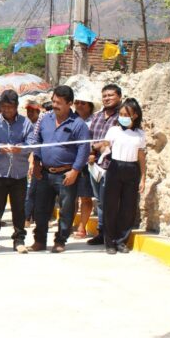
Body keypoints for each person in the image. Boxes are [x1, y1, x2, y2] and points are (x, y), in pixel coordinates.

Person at [29, 85, 91, 253]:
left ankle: (60, 240)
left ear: (69, 103)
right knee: (40, 209)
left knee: (66, 209)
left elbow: (84, 149)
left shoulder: (78, 125)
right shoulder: (46, 119)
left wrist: (75, 171)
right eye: (53, 101)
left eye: (59, 102)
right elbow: (38, 141)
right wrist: (36, 162)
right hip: (44, 173)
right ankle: (39, 240)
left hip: (66, 174)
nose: (54, 105)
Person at [0, 90, 35, 254]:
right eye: (4, 107)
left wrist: (22, 148)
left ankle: (19, 240)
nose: (7, 110)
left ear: (16, 107)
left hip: (19, 173)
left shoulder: (26, 123)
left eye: (10, 107)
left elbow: (32, 142)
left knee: (19, 208)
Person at [101, 98, 146, 254]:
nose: (122, 117)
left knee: (128, 207)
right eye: (120, 114)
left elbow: (141, 156)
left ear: (134, 115)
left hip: (132, 169)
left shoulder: (140, 134)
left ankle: (121, 241)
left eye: (125, 114)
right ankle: (109, 242)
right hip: (115, 167)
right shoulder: (114, 131)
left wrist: (143, 178)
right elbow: (105, 147)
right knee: (111, 205)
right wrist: (103, 146)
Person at [87, 84, 122, 246]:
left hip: (112, 165)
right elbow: (90, 138)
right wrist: (91, 152)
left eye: (111, 95)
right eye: (105, 96)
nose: (107, 98)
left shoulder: (121, 116)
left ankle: (111, 234)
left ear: (119, 97)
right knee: (100, 201)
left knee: (110, 201)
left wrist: (97, 147)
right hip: (95, 166)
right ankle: (102, 232)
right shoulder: (98, 116)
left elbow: (116, 141)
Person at [73, 91, 96, 238]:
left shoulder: (95, 121)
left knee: (86, 197)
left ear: (90, 106)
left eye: (83, 103)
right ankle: (67, 224)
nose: (79, 105)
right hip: (70, 161)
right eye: (77, 102)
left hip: (87, 164)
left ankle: (82, 227)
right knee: (68, 197)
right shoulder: (70, 120)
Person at [23, 100, 42, 225]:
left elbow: (36, 146)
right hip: (26, 161)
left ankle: (28, 217)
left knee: (33, 191)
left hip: (36, 161)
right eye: (28, 111)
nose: (29, 113)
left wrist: (32, 162)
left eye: (32, 111)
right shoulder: (27, 125)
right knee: (29, 190)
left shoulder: (40, 126)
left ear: (38, 111)